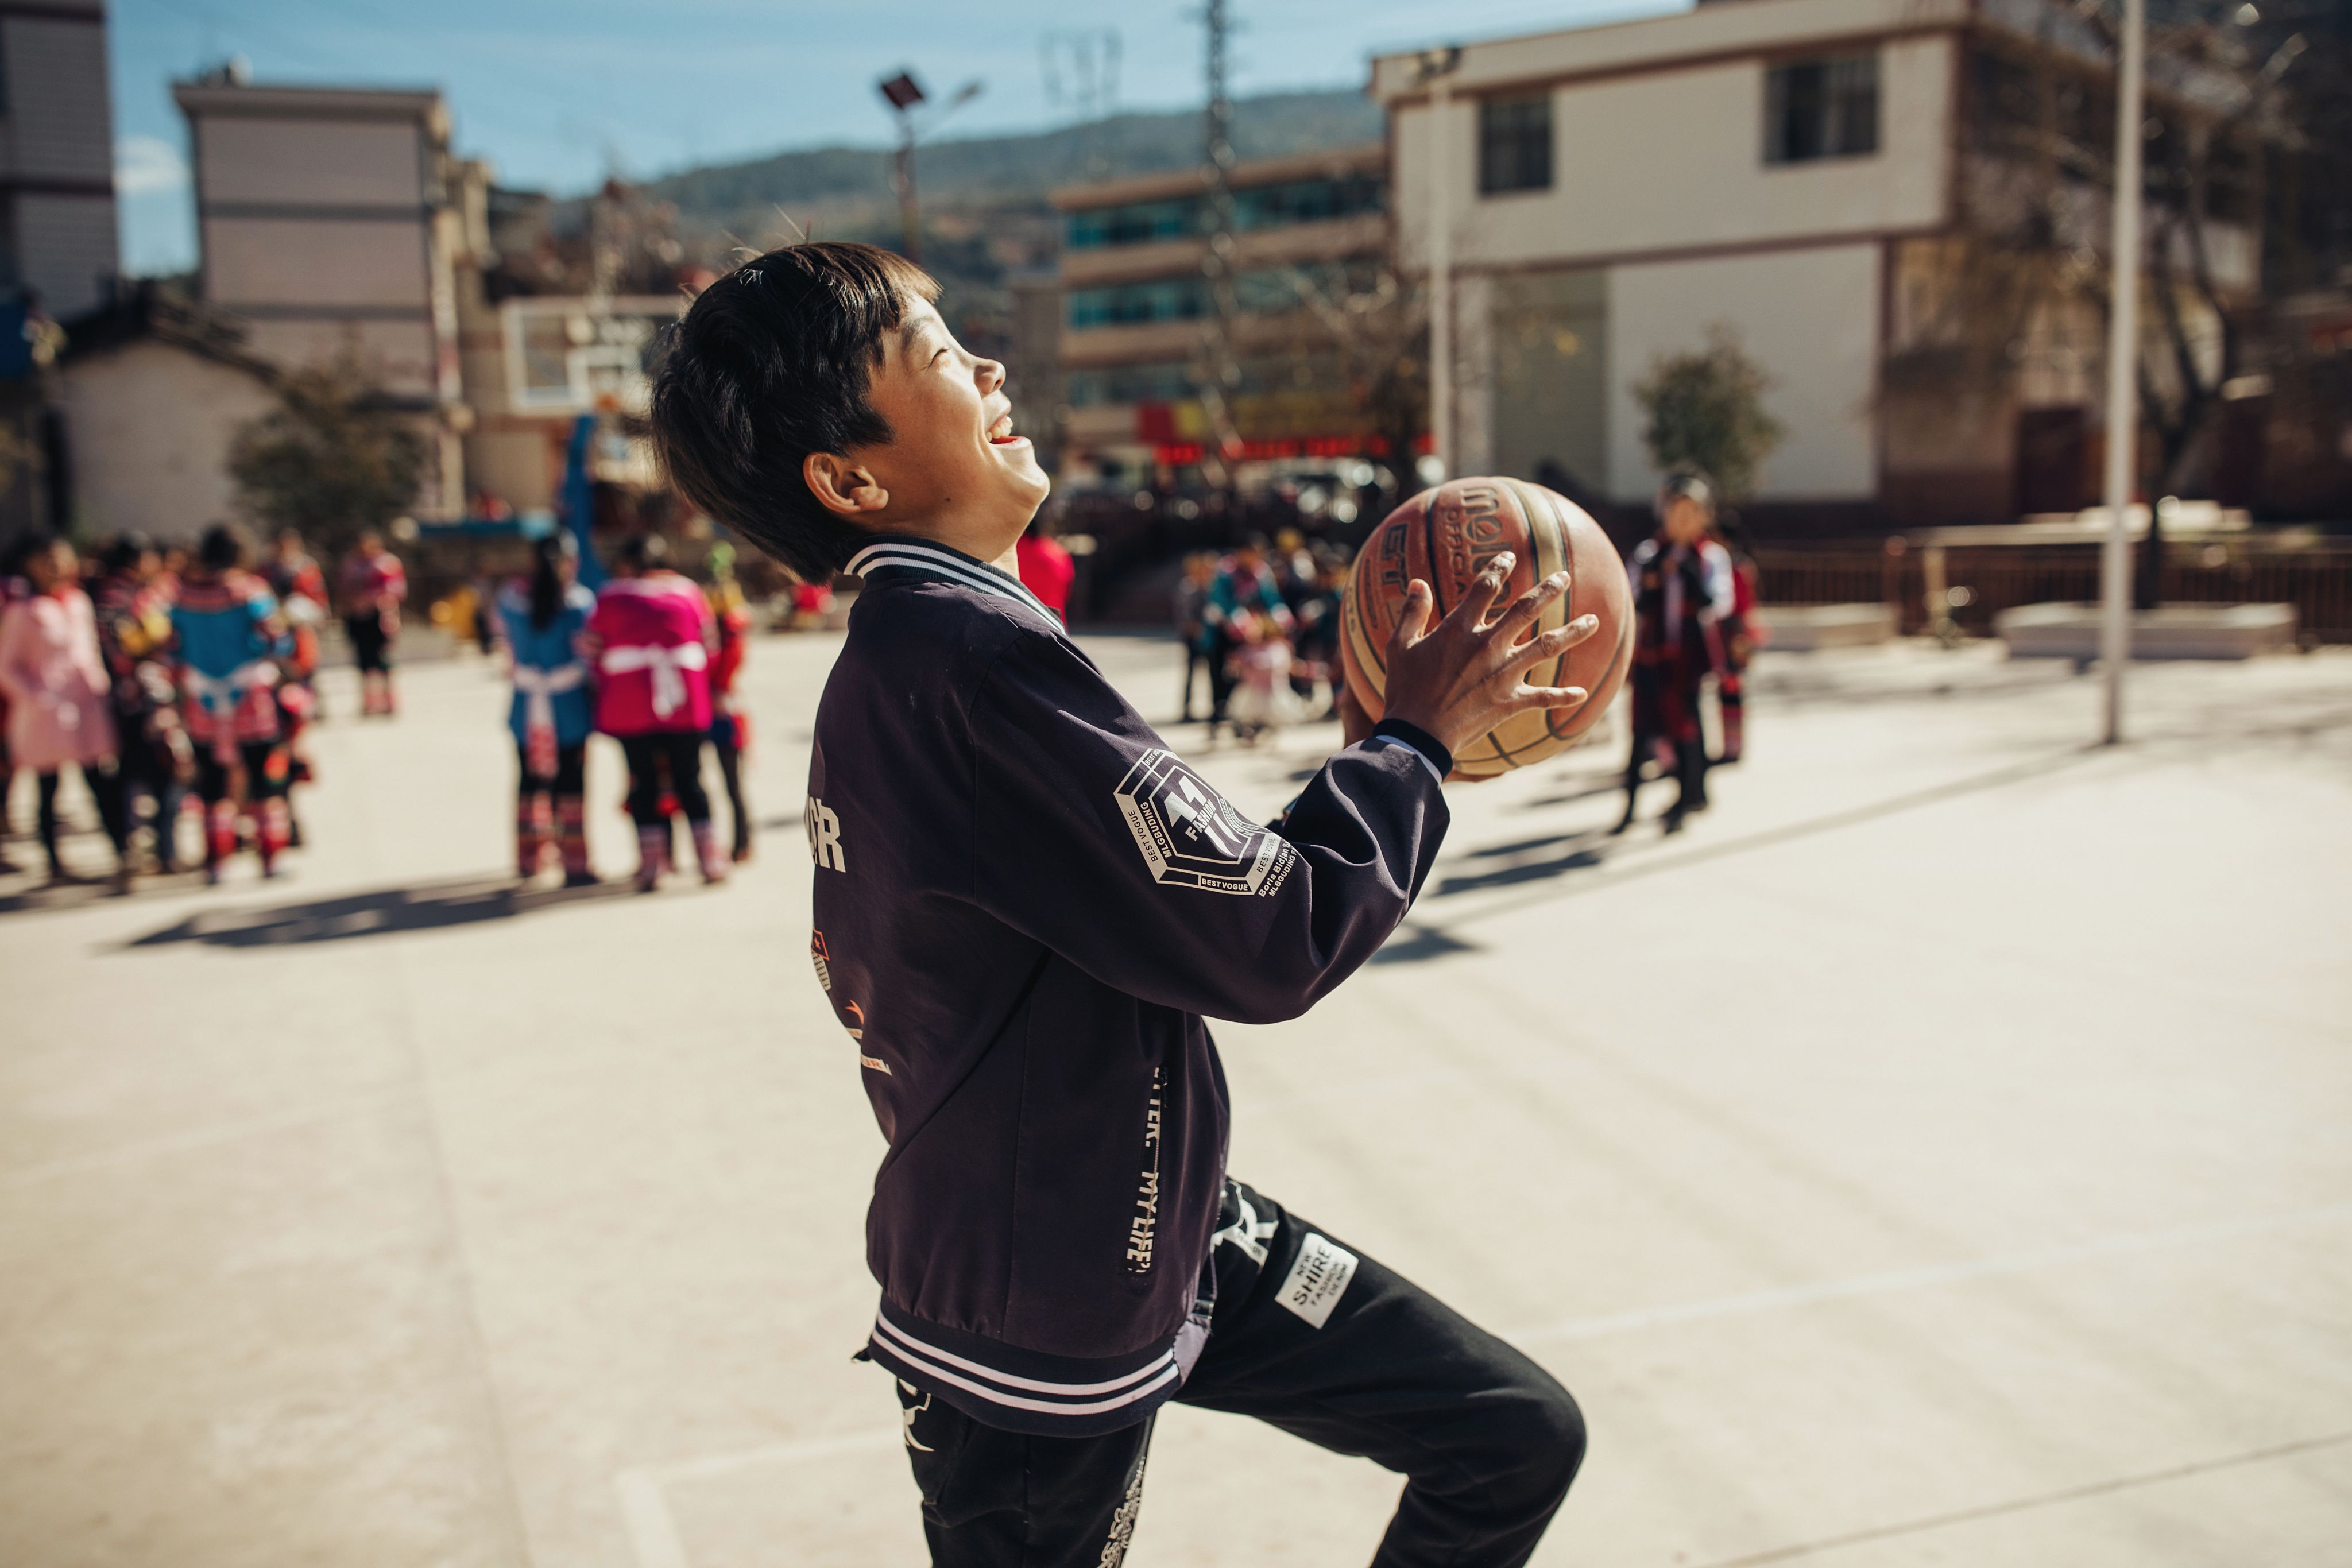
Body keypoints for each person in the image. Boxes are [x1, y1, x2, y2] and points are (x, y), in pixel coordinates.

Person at [649, 241, 1603, 1568]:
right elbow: (1274, 933)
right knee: (1505, 1435)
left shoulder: (930, 650)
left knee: (1507, 1431)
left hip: (1166, 1223)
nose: (988, 365)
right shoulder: (963, 662)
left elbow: (1180, 889)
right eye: (936, 353)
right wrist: (1412, 740)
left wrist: (1386, 750)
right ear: (852, 480)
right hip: (1041, 1319)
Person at [589, 532, 724, 891]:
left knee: (643, 783)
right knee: (690, 780)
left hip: (630, 705)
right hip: (686, 702)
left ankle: (653, 866)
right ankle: (710, 860)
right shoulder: (689, 593)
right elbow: (711, 648)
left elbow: (593, 649)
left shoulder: (611, 596)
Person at [0, 534, 128, 886]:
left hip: (85, 706)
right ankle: (54, 863)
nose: (55, 568)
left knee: (101, 782)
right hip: (46, 714)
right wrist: (37, 696)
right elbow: (7, 667)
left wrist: (98, 684)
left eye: (60, 560)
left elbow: (90, 652)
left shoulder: (78, 603)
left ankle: (122, 853)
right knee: (47, 787)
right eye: (47, 561)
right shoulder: (23, 611)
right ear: (32, 566)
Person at [1613, 468, 1733, 836]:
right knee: (1641, 731)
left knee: (1688, 729)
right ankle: (1630, 807)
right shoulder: (1649, 553)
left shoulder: (1710, 556)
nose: (1682, 520)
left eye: (1690, 513)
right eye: (1676, 512)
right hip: (1652, 657)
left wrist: (1691, 579)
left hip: (1688, 659)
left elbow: (1720, 603)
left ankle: (1688, 798)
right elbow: (1630, 598)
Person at [172, 523, 295, 882]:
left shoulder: (183, 597)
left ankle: (216, 861)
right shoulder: (250, 592)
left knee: (211, 781)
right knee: (264, 777)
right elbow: (278, 639)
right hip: (249, 697)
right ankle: (271, 856)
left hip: (203, 700)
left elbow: (172, 648)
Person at [495, 532, 597, 887]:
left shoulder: (510, 599)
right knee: (571, 781)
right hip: (568, 705)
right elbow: (590, 651)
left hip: (526, 705)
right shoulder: (580, 603)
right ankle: (575, 861)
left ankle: (529, 857)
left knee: (528, 779)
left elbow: (504, 639)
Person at [91, 535, 192, 874]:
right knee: (159, 771)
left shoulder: (135, 593)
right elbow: (124, 650)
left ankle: (153, 848)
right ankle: (157, 849)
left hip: (137, 699)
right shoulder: (116, 597)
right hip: (139, 701)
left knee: (147, 773)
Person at [1201, 537, 1291, 738]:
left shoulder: (1262, 573)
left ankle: (1247, 721)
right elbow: (1221, 602)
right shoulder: (1225, 573)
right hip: (1222, 636)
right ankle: (1217, 715)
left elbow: (1271, 600)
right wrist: (1239, 620)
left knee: (1244, 680)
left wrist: (1279, 617)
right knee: (1219, 676)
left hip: (1251, 634)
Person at [703, 542, 756, 864]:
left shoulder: (729, 634)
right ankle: (728, 845)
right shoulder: (725, 633)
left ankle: (739, 844)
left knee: (731, 785)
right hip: (716, 707)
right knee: (726, 785)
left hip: (720, 709)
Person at [336, 529, 407, 717]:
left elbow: (396, 589)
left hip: (380, 617)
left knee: (383, 661)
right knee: (363, 663)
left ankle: (388, 700)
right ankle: (368, 702)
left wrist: (374, 599)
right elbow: (344, 588)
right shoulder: (352, 565)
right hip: (358, 618)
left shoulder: (386, 564)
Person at [1711, 512, 1763, 766]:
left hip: (1736, 633)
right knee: (1725, 690)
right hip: (1725, 632)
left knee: (1733, 691)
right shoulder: (1725, 564)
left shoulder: (1738, 567)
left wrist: (1741, 639)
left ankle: (1734, 745)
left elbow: (1744, 606)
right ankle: (1729, 742)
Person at [1171, 552, 1216, 722]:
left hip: (1207, 636)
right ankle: (1187, 709)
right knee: (1191, 672)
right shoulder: (1187, 587)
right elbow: (1184, 615)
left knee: (1212, 673)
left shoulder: (1209, 587)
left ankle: (1214, 707)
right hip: (1192, 636)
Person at [1013, 514, 1074, 624]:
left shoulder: (1012, 554)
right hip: (1054, 622)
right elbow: (1067, 591)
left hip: (1019, 623)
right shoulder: (1058, 553)